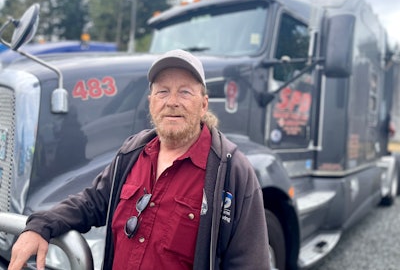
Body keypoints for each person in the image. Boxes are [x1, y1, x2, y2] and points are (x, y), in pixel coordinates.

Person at [8, 49, 270, 270]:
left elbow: (249, 263)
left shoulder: (231, 172)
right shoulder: (132, 153)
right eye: (163, 92)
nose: (172, 102)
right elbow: (91, 202)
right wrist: (40, 225)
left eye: (185, 92)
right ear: (151, 102)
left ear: (203, 104)